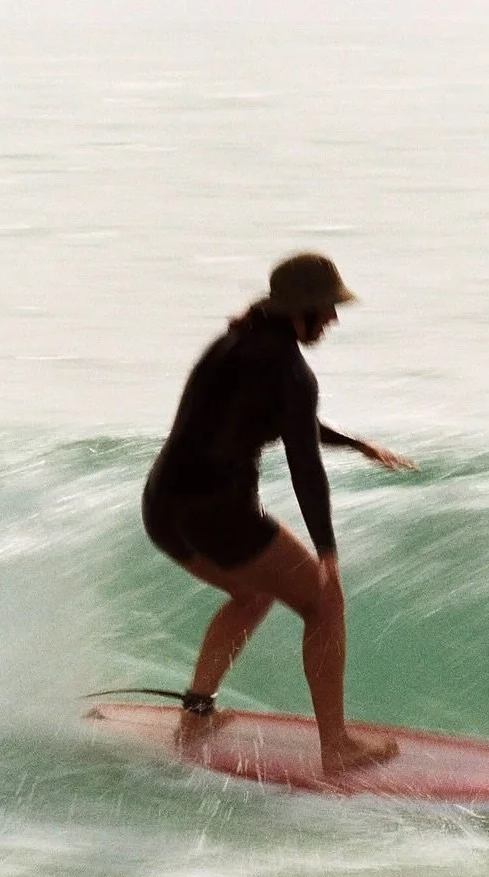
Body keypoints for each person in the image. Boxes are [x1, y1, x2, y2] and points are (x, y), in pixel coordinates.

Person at [142, 252, 416, 775]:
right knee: (321, 602)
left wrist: (355, 443)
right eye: (326, 309)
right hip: (218, 515)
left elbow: (276, 418)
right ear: (301, 311)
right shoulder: (290, 370)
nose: (332, 320)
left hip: (163, 508)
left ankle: (197, 716)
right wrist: (328, 557)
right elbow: (304, 466)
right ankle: (336, 747)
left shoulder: (230, 346)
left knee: (252, 593)